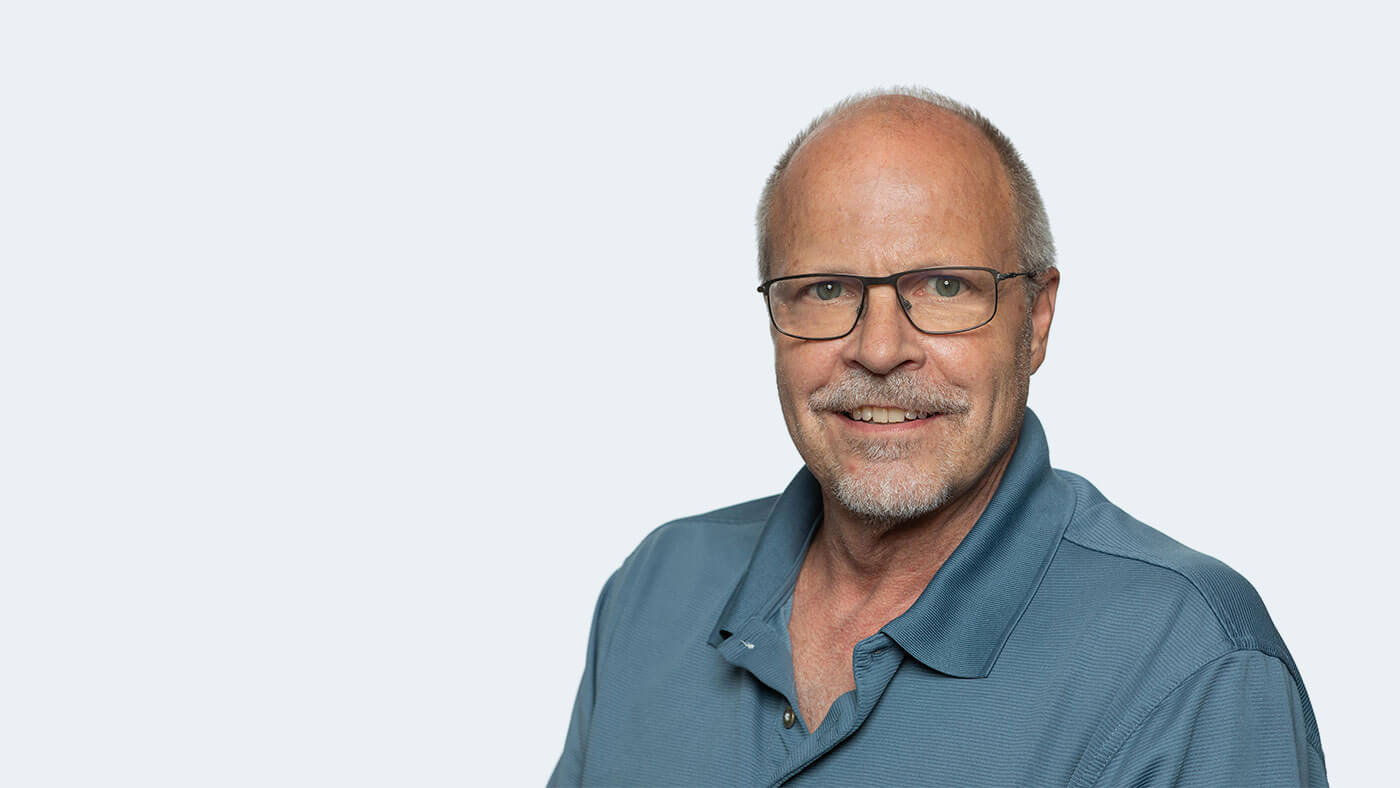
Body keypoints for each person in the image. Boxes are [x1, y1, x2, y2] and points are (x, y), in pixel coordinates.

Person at [549, 87, 1327, 786]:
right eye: (826, 290)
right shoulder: (655, 590)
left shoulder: (1192, 666)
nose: (881, 350)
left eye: (945, 287)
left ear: (1037, 319)